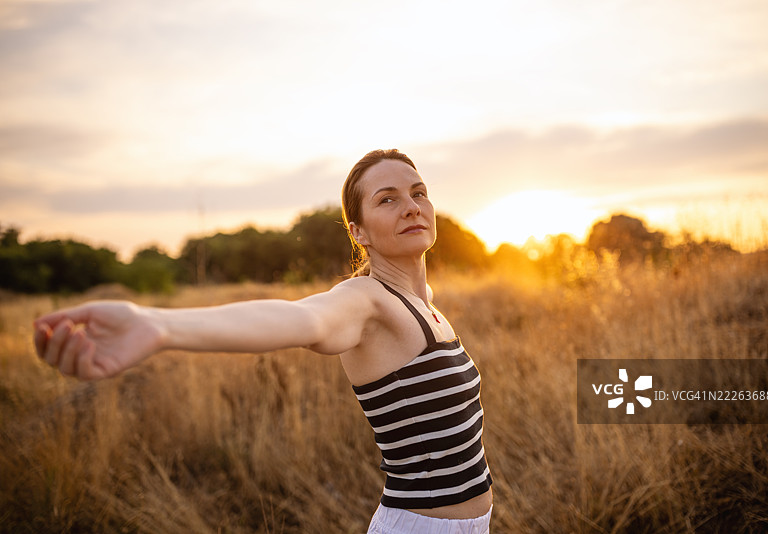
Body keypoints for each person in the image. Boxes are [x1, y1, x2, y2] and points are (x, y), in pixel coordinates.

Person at [33, 149, 493, 534]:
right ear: (358, 231)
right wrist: (160, 326)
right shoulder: (365, 300)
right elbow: (300, 317)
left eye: (418, 193)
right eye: (387, 200)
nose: (412, 206)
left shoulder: (424, 300)